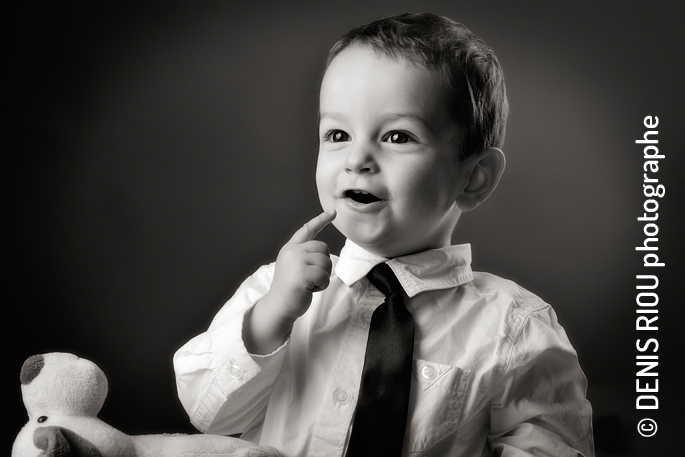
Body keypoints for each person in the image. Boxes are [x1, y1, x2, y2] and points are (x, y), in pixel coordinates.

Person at [173, 12, 594, 456]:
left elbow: (551, 448)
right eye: (337, 133)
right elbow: (208, 415)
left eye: (397, 136)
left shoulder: (515, 328)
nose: (357, 159)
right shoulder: (275, 291)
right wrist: (271, 316)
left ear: (474, 177)